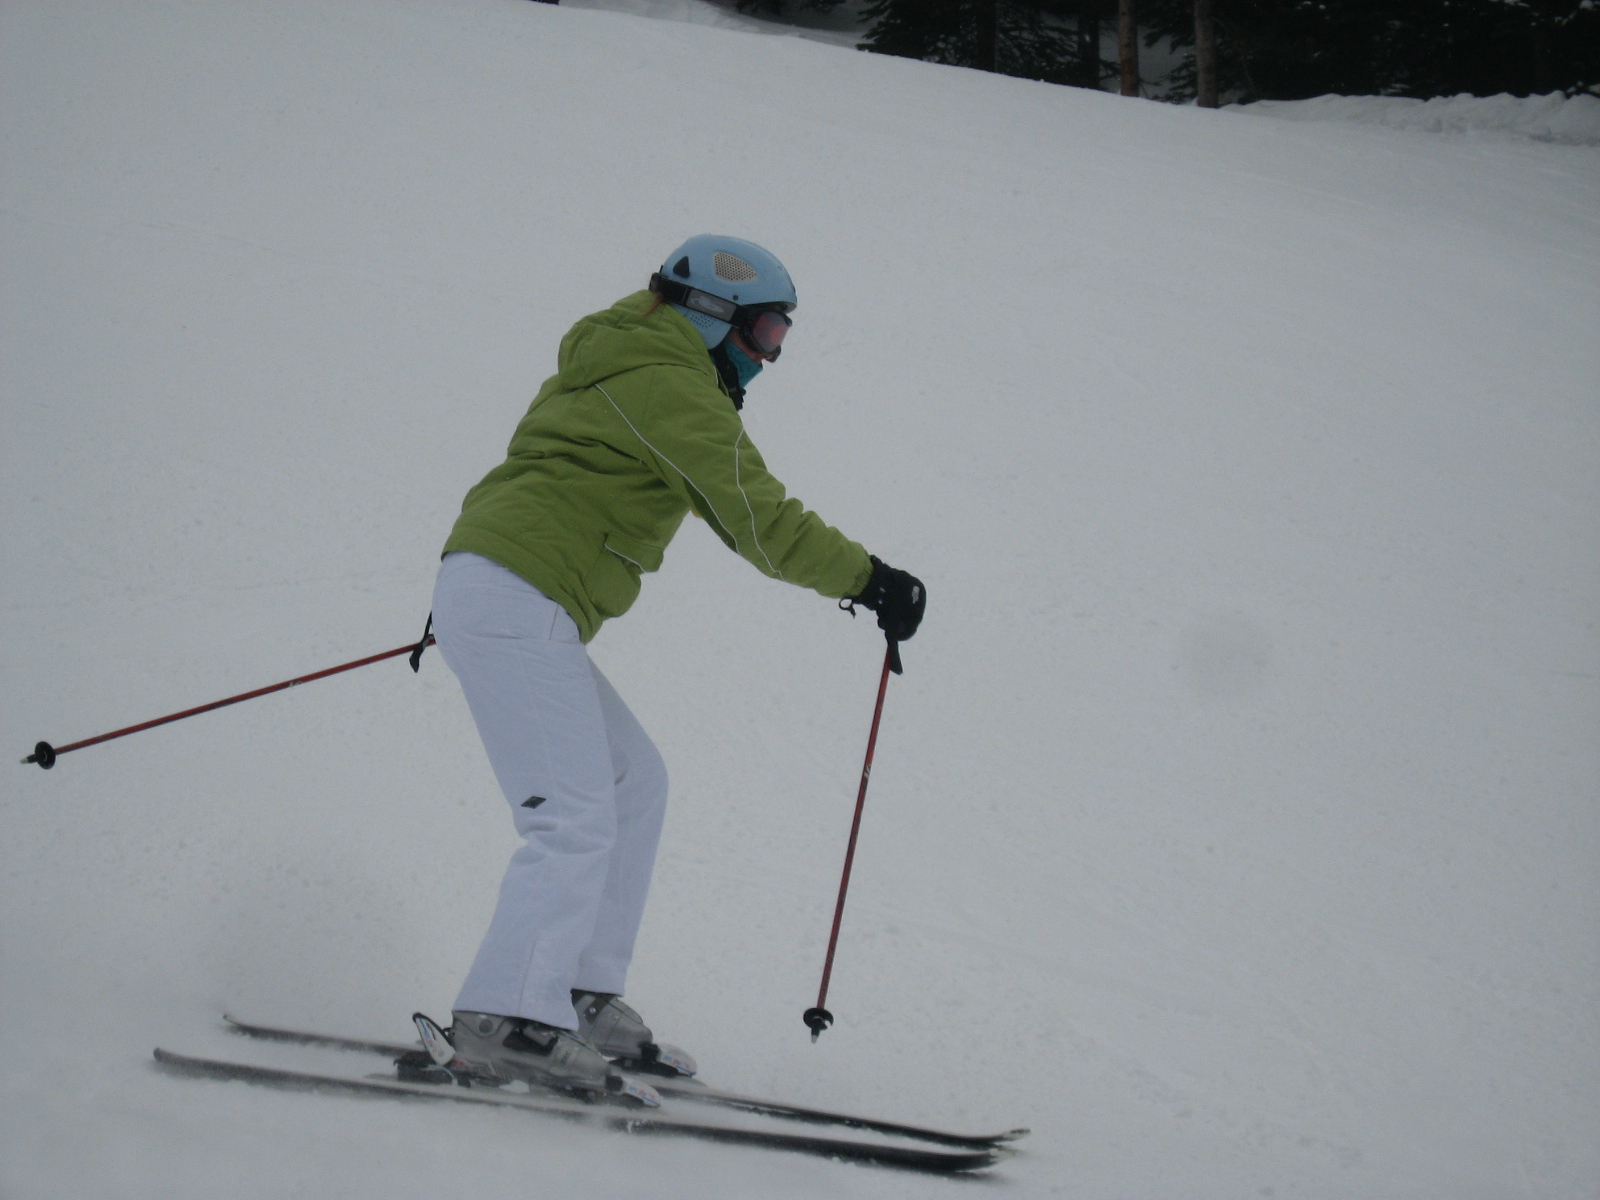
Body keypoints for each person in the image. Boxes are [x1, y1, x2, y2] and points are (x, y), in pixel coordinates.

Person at [430, 235, 926, 1099]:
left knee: (633, 783)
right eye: (766, 333)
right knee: (576, 814)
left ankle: (576, 995)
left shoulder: (637, 362)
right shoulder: (666, 382)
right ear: (712, 317)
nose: (771, 355)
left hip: (510, 592)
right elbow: (755, 515)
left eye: (781, 337)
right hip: (513, 594)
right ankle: (506, 1017)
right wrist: (870, 581)